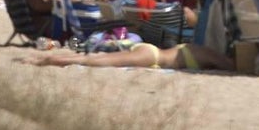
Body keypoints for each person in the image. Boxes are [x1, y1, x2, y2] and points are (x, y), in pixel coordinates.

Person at [25, 42, 233, 72]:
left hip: (150, 51)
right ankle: (48, 61)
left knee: (94, 58)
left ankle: (47, 59)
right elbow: (230, 67)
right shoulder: (212, 55)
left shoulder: (201, 48)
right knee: (93, 61)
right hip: (152, 56)